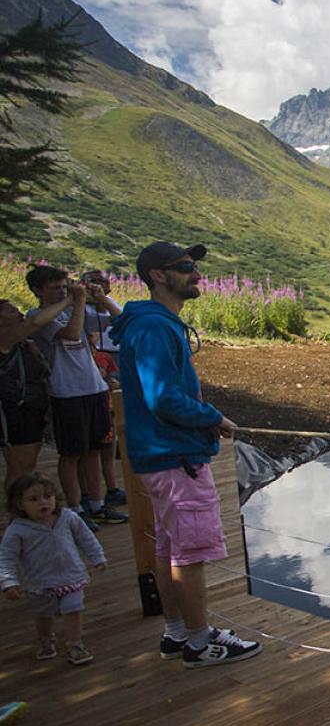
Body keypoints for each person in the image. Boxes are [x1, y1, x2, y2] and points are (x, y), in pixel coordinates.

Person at [110, 241, 260, 668]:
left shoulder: (149, 323)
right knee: (190, 554)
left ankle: (176, 631)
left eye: (194, 266)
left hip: (160, 455)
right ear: (158, 276)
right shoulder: (156, 327)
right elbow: (162, 397)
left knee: (170, 545)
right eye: (185, 267)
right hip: (176, 456)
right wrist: (211, 416)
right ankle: (199, 642)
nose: (196, 274)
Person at [23, 264, 126, 527]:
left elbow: (117, 319)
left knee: (93, 450)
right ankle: (75, 507)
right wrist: (76, 300)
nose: (61, 291)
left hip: (94, 388)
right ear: (38, 290)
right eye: (55, 288)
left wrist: (100, 296)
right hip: (66, 392)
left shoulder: (74, 308)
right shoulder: (39, 315)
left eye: (64, 285)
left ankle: (97, 504)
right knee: (71, 454)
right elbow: (69, 333)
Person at [0, 473, 106, 666]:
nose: (43, 502)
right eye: (34, 499)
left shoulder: (67, 517)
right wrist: (9, 582)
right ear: (19, 505)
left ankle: (75, 644)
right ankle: (46, 639)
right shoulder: (17, 530)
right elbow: (6, 557)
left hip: (71, 576)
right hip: (40, 581)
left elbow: (86, 538)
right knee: (43, 614)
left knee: (73, 609)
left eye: (48, 497)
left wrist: (97, 557)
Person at [0, 296, 67, 487]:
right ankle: (17, 512)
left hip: (30, 407)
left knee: (27, 466)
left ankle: (21, 510)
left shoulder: (22, 343)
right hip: (14, 411)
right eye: (11, 311)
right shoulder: (4, 338)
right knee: (20, 468)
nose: (20, 314)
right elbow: (36, 321)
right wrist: (70, 299)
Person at [78, 270, 125, 511]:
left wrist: (102, 299)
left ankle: (113, 488)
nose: (98, 287)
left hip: (111, 361)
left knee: (110, 433)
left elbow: (123, 319)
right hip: (88, 364)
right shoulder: (79, 309)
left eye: (102, 282)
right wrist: (81, 297)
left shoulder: (109, 306)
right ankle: (88, 494)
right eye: (92, 283)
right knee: (89, 442)